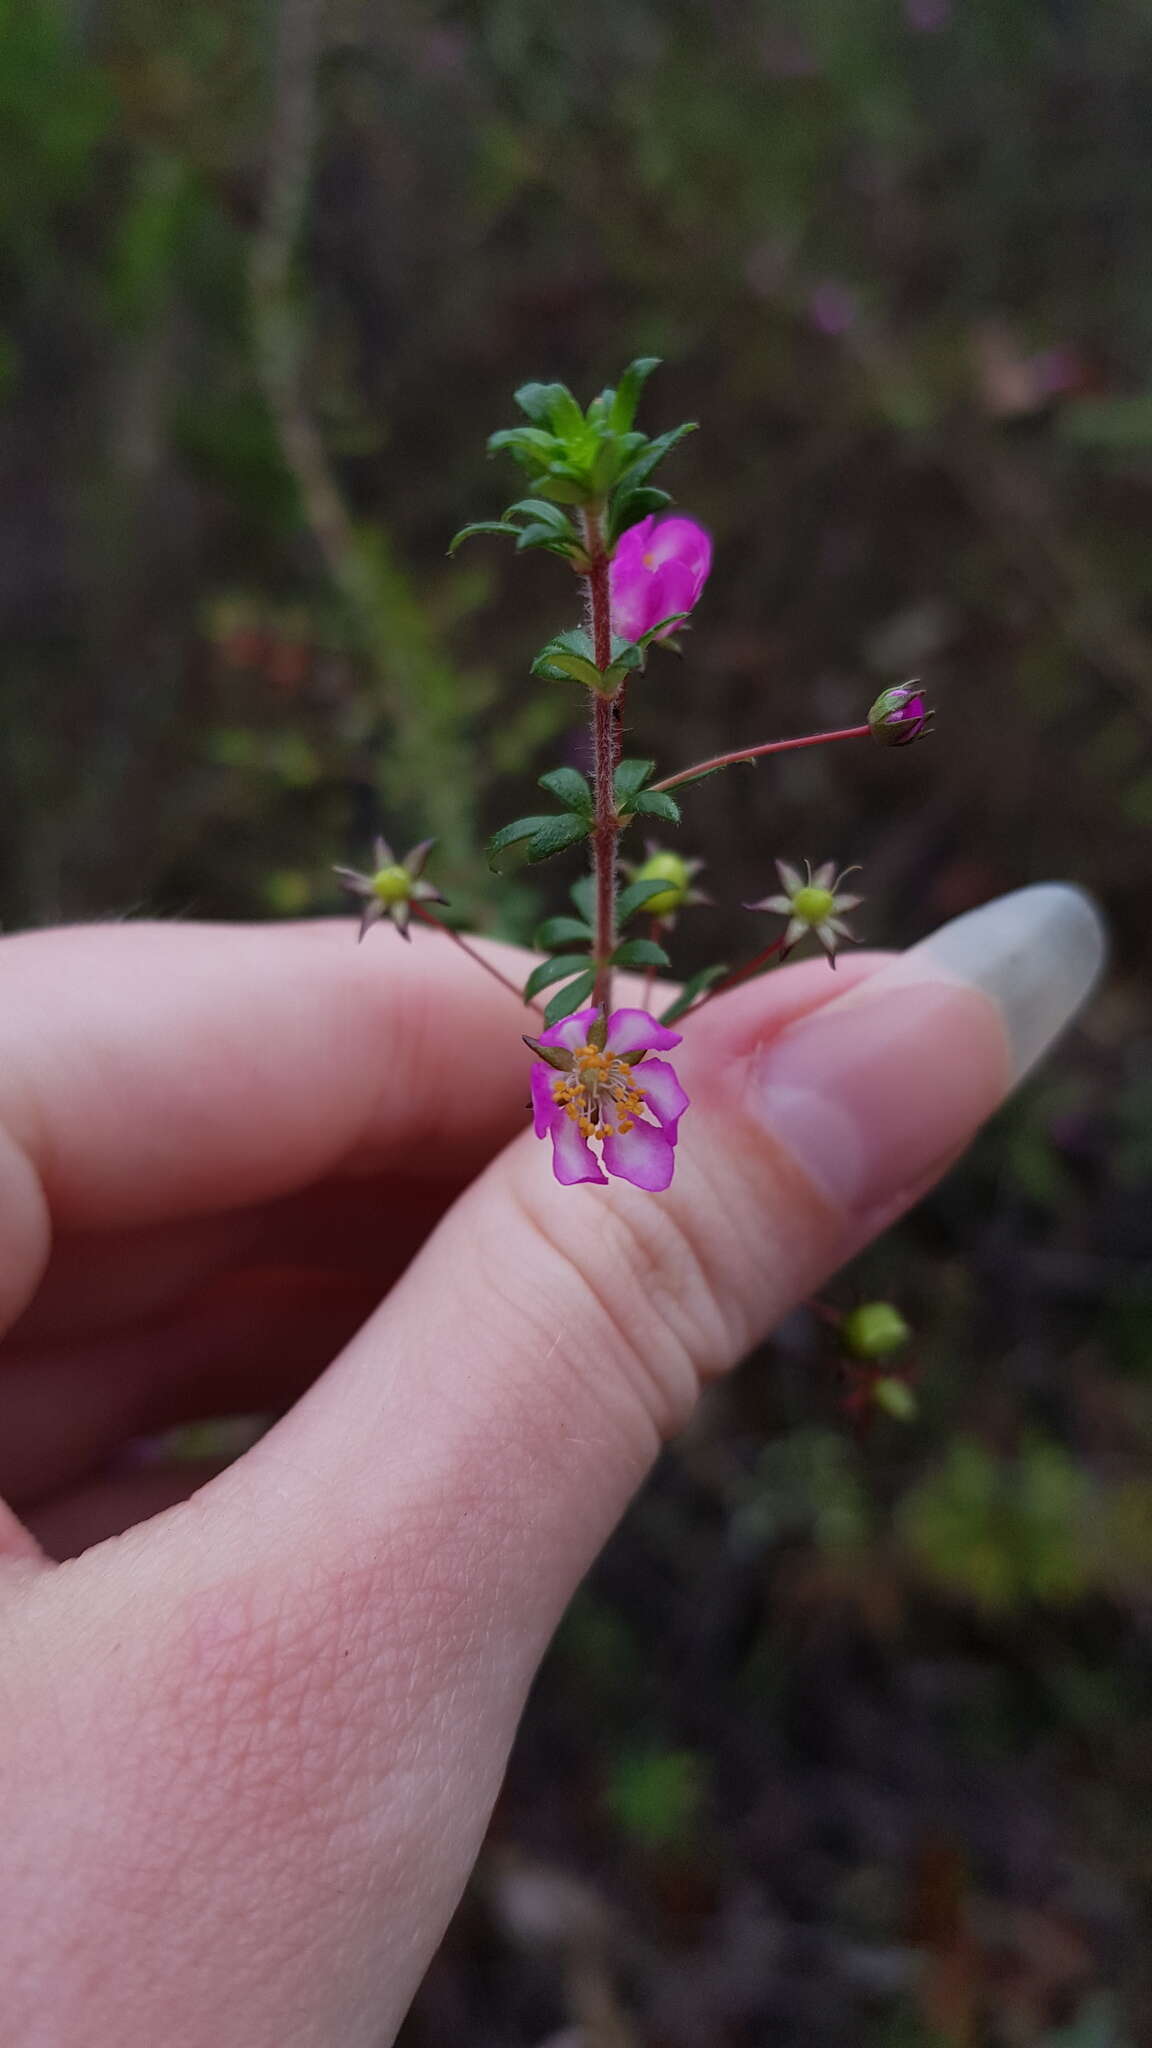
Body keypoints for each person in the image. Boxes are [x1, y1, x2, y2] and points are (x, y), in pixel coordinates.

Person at [0, 885, 1102, 2045]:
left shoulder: (603, 1073)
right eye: (589, 1086)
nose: (601, 1093)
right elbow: (602, 1120)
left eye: (606, 1086)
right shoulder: (583, 1081)